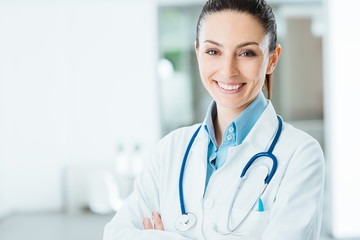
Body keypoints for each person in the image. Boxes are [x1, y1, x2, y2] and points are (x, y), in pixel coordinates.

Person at [103, 0, 325, 239]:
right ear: (198, 52)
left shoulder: (301, 155)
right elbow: (116, 234)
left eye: (246, 53)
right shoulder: (170, 149)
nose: (228, 70)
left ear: (272, 58)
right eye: (213, 51)